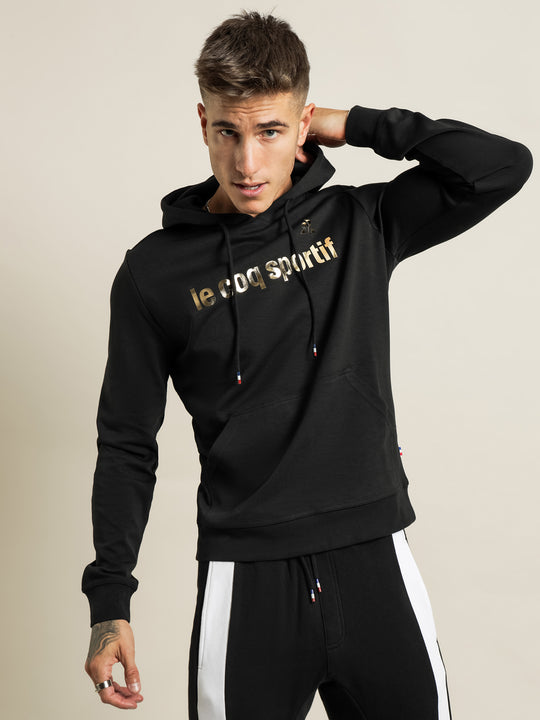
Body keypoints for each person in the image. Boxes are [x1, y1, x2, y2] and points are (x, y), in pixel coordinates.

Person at [82, 10, 533, 719]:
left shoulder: (359, 224)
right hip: (246, 576)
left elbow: (501, 166)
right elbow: (126, 443)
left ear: (302, 127)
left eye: (270, 131)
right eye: (228, 132)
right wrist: (110, 602)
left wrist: (353, 124)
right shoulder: (153, 275)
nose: (247, 164)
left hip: (373, 554)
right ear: (202, 123)